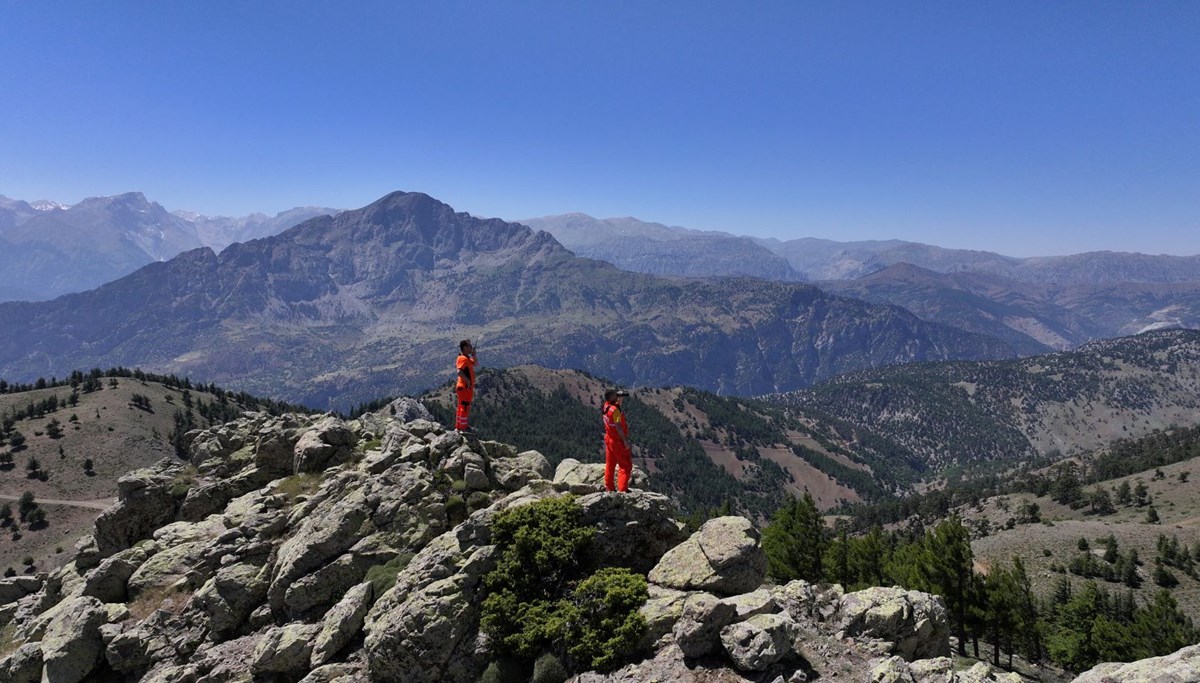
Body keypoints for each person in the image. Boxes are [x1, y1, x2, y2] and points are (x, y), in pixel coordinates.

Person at [602, 388, 632, 492]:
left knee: (610, 464)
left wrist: (619, 402)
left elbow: (613, 412)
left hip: (609, 438)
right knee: (625, 465)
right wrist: (625, 441)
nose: (617, 396)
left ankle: (609, 488)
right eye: (616, 395)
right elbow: (618, 426)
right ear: (612, 397)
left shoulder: (606, 406)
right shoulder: (615, 411)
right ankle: (622, 490)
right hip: (617, 441)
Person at [455, 339, 476, 432]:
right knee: (465, 406)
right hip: (465, 387)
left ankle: (459, 426)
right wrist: (467, 381)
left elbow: (475, 363)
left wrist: (474, 355)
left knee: (461, 406)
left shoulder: (466, 358)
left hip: (464, 387)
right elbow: (459, 371)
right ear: (465, 348)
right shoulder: (463, 358)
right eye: (470, 346)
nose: (471, 347)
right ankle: (463, 427)